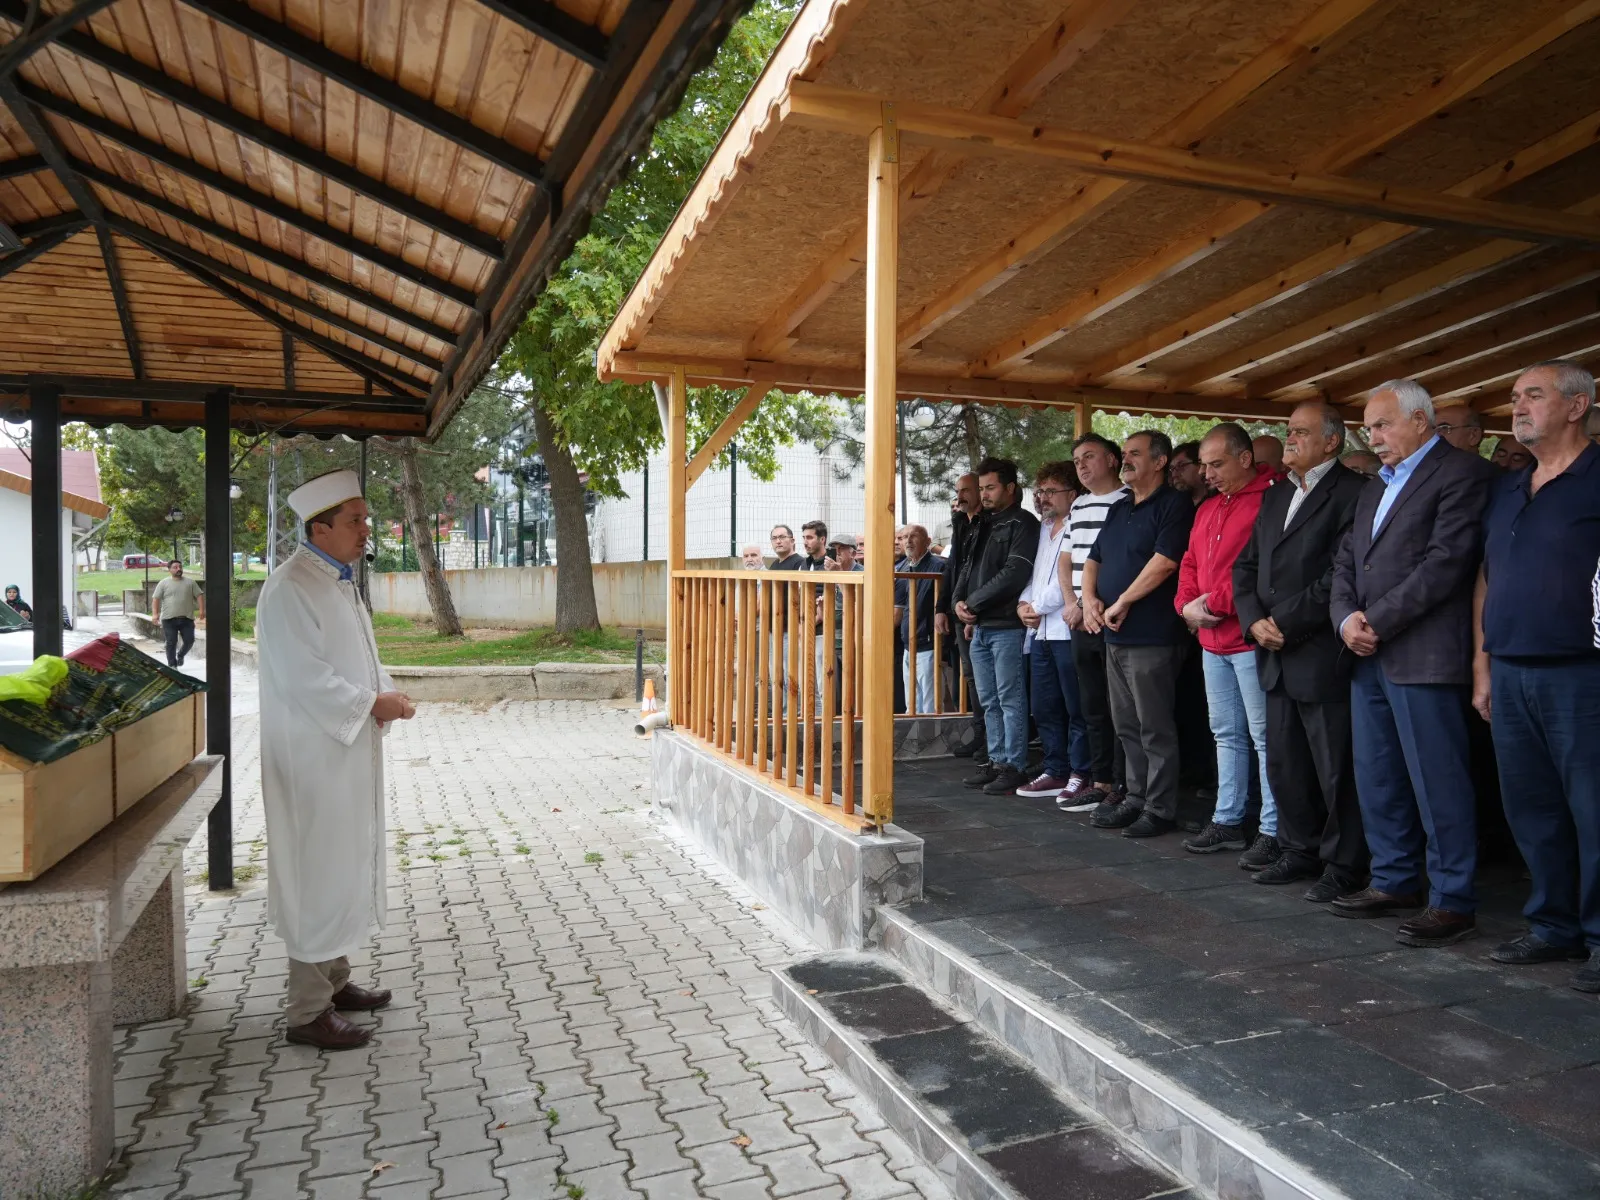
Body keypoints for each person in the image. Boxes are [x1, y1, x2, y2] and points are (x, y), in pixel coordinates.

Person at [1330, 379, 1495, 945]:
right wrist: (1345, 618)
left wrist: (1374, 621)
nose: (1372, 437)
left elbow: (1446, 563)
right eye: (1369, 428)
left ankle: (1452, 899)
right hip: (1366, 650)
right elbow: (1347, 560)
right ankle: (1394, 879)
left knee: (1437, 780)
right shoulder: (1376, 484)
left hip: (1423, 653)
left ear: (1421, 421)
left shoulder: (1463, 473)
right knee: (1377, 774)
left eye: (1382, 425)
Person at [257, 470, 415, 1049]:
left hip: (340, 754)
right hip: (311, 760)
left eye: (365, 519)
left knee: (342, 861)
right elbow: (305, 678)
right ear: (319, 527)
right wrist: (372, 703)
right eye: (355, 520)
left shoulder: (337, 582)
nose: (365, 530)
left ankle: (335, 982)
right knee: (315, 872)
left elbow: (360, 662)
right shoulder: (290, 587)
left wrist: (385, 693)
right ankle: (306, 1012)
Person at [1474, 361, 1600, 991]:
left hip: (1583, 673)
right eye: (1514, 396)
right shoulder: (1509, 487)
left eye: (1533, 395)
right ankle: (1554, 926)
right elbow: (1488, 580)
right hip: (1512, 668)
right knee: (1533, 809)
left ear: (1577, 407)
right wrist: (1483, 664)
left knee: (1594, 810)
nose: (1517, 406)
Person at [1234, 403, 1372, 901]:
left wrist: (1285, 623)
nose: (1288, 438)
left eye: (1300, 432)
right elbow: (1245, 566)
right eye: (1287, 430)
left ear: (1332, 441)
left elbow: (1342, 572)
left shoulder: (1355, 492)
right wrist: (1253, 620)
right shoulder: (1277, 495)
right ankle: (1298, 849)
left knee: (1336, 766)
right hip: (1271, 650)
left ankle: (1345, 863)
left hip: (1318, 649)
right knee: (1285, 761)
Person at [1175, 424, 1279, 867]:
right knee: (1227, 734)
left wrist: (1206, 606)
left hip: (1247, 637)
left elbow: (1255, 571)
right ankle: (1228, 819)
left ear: (1245, 458)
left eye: (1216, 464)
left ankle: (1273, 828)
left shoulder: (1271, 500)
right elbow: (1190, 562)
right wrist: (1185, 606)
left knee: (1264, 736)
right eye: (1204, 464)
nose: (1208, 473)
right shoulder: (1208, 508)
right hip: (1212, 638)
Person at [1082, 431, 1196, 837]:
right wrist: (1090, 599)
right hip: (1114, 633)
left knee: (1154, 727)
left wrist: (1123, 601)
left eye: (1135, 454)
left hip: (1153, 634)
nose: (1126, 459)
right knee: (1126, 725)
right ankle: (1134, 798)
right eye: (1125, 453)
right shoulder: (1120, 507)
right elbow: (1094, 558)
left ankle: (1160, 808)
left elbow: (1166, 562)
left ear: (1161, 461)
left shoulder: (1176, 505)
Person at [955, 457, 1040, 796]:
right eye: (982, 488)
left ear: (1010, 488)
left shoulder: (1024, 523)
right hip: (981, 625)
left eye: (991, 487)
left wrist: (972, 603)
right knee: (989, 699)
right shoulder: (981, 524)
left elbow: (1015, 573)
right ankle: (996, 760)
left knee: (1010, 698)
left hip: (1007, 624)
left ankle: (1013, 765)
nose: (984, 494)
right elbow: (967, 567)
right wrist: (959, 603)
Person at [1058, 434, 1129, 812]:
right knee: (1092, 706)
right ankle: (1099, 780)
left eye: (1089, 457)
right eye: (1077, 460)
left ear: (1113, 460)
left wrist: (1090, 605)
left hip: (1111, 617)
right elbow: (1065, 559)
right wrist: (1073, 603)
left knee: (1120, 708)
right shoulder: (1080, 504)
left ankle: (1121, 782)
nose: (1082, 466)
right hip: (1079, 619)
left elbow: (1114, 562)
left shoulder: (1127, 501)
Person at [1017, 462, 1088, 800]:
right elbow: (1035, 575)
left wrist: (1037, 607)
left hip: (1066, 628)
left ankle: (1080, 772)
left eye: (1050, 491)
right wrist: (1022, 605)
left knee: (1075, 707)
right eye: (1041, 491)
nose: (1043, 497)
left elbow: (1071, 577)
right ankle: (1055, 768)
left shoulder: (1079, 523)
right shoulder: (1045, 529)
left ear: (1072, 494)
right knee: (1044, 706)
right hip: (1039, 632)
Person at [939, 474, 986, 755]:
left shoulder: (989, 522)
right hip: (959, 609)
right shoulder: (960, 523)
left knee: (987, 679)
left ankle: (992, 739)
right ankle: (980, 732)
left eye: (966, 490)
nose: (960, 497)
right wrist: (941, 608)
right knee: (970, 674)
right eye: (958, 491)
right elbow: (952, 568)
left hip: (981, 609)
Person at [894, 525, 945, 713]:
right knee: (912, 703)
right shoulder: (905, 567)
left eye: (913, 536)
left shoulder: (938, 566)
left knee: (929, 703)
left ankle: (930, 742)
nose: (907, 541)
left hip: (928, 643)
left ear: (928, 541)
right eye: (904, 537)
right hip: (908, 642)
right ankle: (913, 742)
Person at [151, 559, 205, 668]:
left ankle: (180, 655)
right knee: (171, 642)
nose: (178, 569)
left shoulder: (190, 582)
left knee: (189, 641)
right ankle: (172, 665)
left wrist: (201, 610)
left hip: (187, 618)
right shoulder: (163, 583)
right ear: (169, 570)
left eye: (180, 567)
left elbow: (199, 595)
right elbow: (156, 599)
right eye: (175, 567)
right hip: (168, 619)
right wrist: (155, 614)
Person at [1168, 441, 1208, 506]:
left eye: (1181, 466)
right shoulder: (1174, 507)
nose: (1174, 474)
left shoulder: (1220, 503)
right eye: (1172, 469)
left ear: (1200, 465)